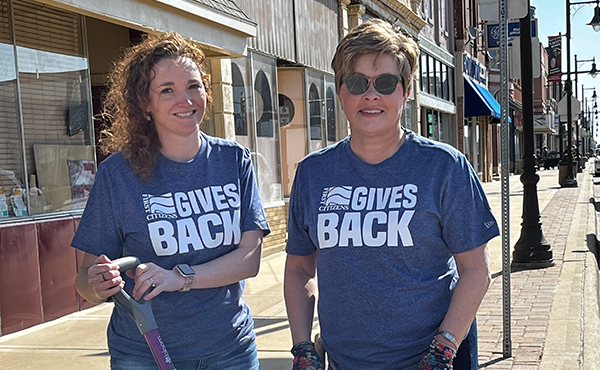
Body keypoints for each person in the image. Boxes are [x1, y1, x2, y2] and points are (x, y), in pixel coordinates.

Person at [284, 19, 499, 370]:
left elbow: (476, 271)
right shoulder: (313, 173)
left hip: (430, 360)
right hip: (343, 361)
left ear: (406, 91)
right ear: (340, 91)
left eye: (385, 83)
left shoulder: (444, 167)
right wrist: (302, 347)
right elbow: (299, 269)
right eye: (356, 83)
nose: (371, 95)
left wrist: (443, 350)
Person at [73, 33, 270, 370]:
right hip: (143, 353)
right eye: (167, 90)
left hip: (230, 350)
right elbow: (85, 281)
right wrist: (99, 283)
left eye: (193, 86)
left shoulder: (233, 161)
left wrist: (179, 277)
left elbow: (248, 260)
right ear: (144, 103)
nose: (185, 99)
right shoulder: (118, 174)